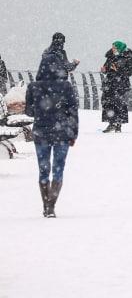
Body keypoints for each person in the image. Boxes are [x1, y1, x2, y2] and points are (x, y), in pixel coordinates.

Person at [26, 32, 80, 218]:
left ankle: (44, 203)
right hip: (62, 133)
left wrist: (42, 108)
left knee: (43, 169)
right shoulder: (66, 87)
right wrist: (73, 134)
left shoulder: (34, 87)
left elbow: (29, 112)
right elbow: (73, 112)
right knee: (58, 168)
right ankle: (51, 206)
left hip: (41, 133)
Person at [100, 40, 132, 133]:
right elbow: (106, 67)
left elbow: (130, 71)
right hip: (110, 84)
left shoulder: (127, 57)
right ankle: (111, 123)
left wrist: (118, 70)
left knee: (120, 104)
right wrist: (104, 69)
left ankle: (118, 124)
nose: (113, 49)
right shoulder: (110, 56)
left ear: (119, 48)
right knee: (108, 103)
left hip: (121, 85)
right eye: (112, 47)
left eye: (115, 47)